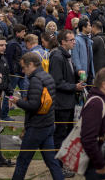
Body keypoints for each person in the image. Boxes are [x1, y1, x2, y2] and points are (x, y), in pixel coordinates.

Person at [10, 51, 63, 180]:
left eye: (24, 67)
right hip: (48, 124)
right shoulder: (47, 76)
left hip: (36, 127)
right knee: (52, 161)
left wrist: (18, 101)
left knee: (22, 161)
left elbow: (34, 105)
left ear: (31, 64)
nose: (22, 71)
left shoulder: (35, 80)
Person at [49, 28, 81, 171]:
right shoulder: (57, 56)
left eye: (74, 39)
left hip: (69, 101)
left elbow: (69, 73)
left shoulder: (67, 55)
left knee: (67, 134)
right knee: (60, 135)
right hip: (61, 103)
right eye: (71, 40)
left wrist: (78, 73)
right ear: (63, 42)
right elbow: (57, 82)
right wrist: (75, 86)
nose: (74, 42)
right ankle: (58, 167)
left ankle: (63, 163)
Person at [80, 66, 105, 180]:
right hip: (98, 170)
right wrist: (100, 165)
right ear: (104, 84)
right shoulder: (96, 103)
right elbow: (88, 139)